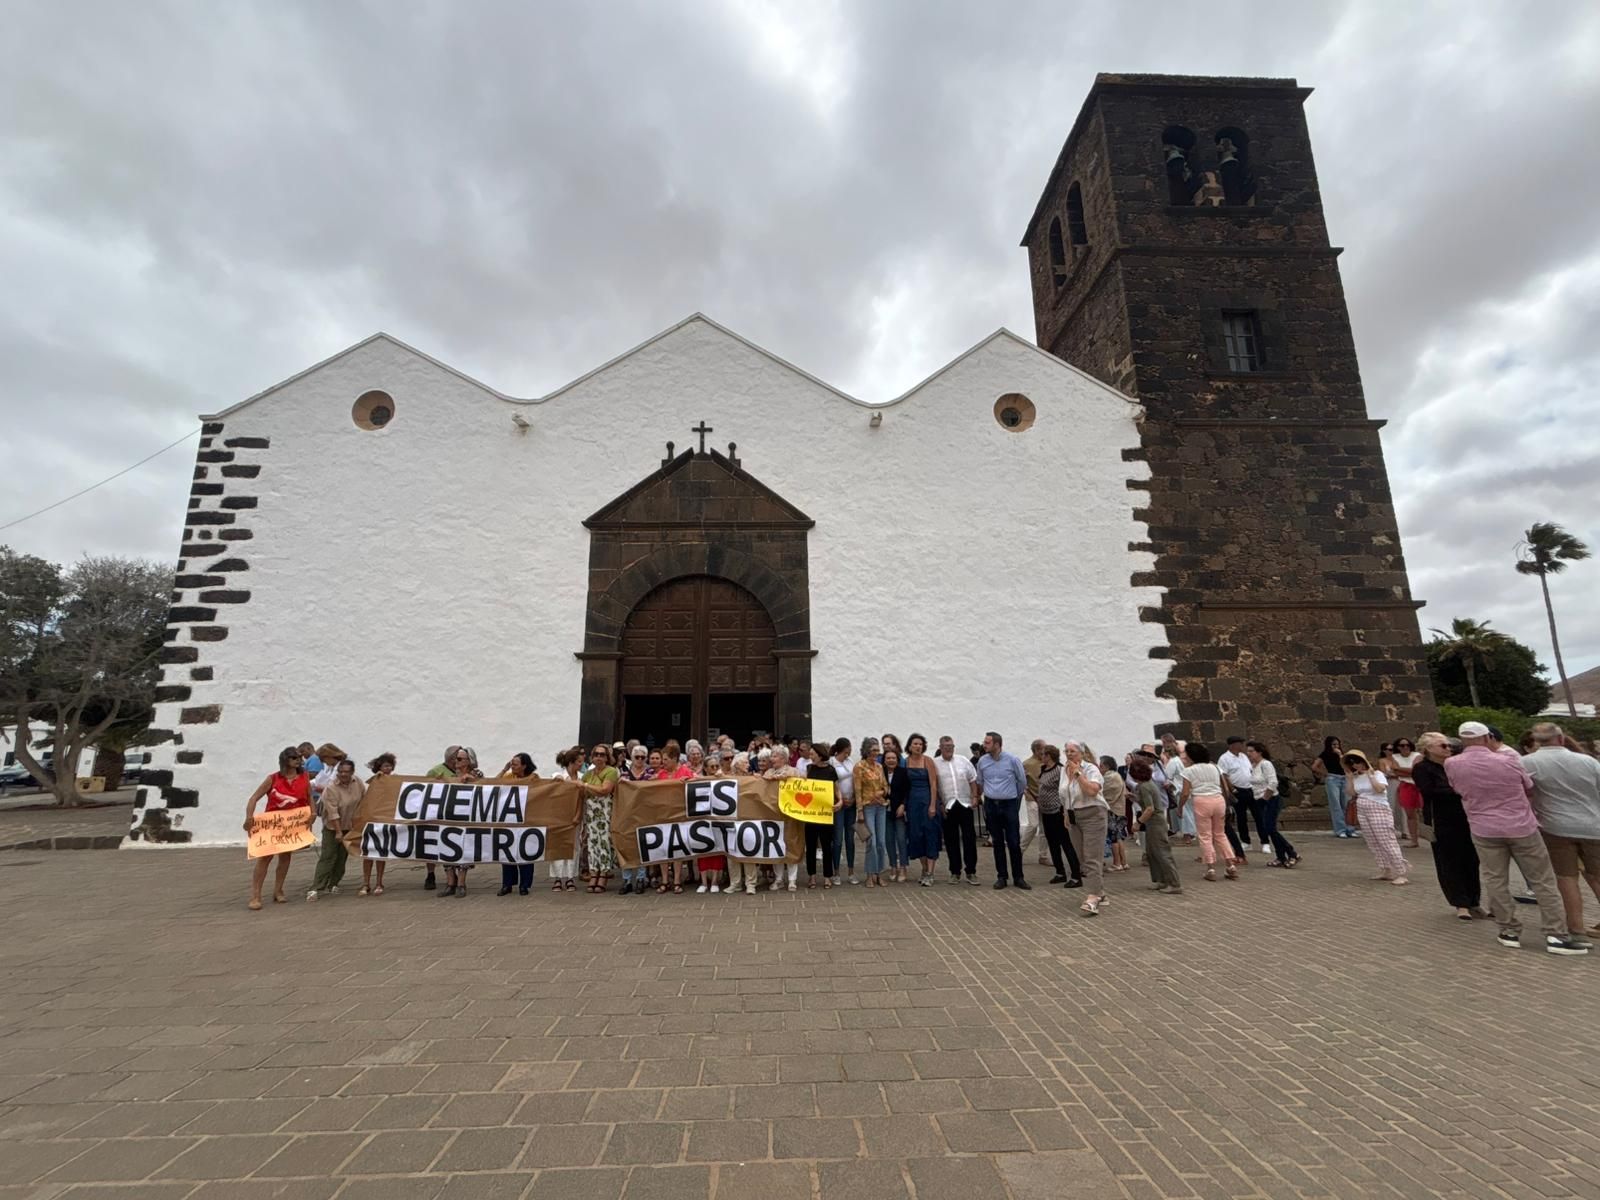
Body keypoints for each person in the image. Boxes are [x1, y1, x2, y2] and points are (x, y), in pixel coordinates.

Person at [1445, 721, 1585, 955]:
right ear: (1487, 738)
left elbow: (1457, 788)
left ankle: (1509, 930)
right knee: (1542, 880)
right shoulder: (1508, 759)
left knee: (1495, 879)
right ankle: (1556, 934)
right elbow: (1528, 786)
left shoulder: (1452, 763)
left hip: (1483, 827)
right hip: (1520, 825)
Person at [1523, 721, 1600, 943]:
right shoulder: (1587, 761)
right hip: (1592, 825)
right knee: (1596, 875)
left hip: (1554, 827)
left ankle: (1576, 929)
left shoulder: (1527, 762)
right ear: (1561, 738)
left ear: (1536, 741)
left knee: (1567, 879)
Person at [1413, 733, 1483, 920]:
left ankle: (1474, 901)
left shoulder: (1456, 764)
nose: (1448, 748)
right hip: (1442, 819)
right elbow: (1429, 791)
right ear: (1428, 749)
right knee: (1449, 861)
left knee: (1471, 859)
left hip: (1466, 817)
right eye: (1443, 745)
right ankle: (1460, 903)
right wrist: (1459, 790)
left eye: (1449, 745)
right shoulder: (1423, 768)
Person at [242, 746, 312, 910]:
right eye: (294, 758)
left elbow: (309, 797)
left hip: (292, 824)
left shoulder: (304, 777)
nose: (298, 761)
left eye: (299, 758)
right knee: (264, 858)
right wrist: (249, 817)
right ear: (286, 760)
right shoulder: (273, 779)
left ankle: (278, 890)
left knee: (285, 856)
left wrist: (313, 814)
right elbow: (254, 798)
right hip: (272, 823)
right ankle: (256, 895)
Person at [1345, 749, 1407, 885]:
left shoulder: (1377, 774)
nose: (1355, 765)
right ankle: (1386, 869)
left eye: (1358, 762)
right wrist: (1349, 779)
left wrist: (1370, 775)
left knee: (1386, 840)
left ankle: (1400, 871)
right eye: (1352, 763)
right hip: (1362, 808)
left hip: (1378, 808)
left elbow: (1380, 789)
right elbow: (1352, 793)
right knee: (1372, 840)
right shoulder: (1355, 777)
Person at [976, 731, 1029, 890]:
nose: (984, 745)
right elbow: (980, 781)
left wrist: (1012, 796)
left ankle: (1018, 877)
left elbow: (1022, 782)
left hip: (1009, 804)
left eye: (987, 743)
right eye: (984, 742)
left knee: (1013, 841)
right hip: (991, 805)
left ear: (997, 744)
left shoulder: (1012, 760)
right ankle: (1002, 876)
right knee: (997, 841)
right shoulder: (982, 761)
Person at [308, 757, 364, 901]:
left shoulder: (358, 783)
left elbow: (363, 801)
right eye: (340, 771)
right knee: (328, 856)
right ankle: (316, 887)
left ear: (352, 772)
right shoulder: (331, 788)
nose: (343, 774)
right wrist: (338, 832)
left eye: (346, 772)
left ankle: (333, 883)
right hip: (332, 826)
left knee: (342, 857)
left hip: (350, 826)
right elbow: (333, 812)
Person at [1180, 742, 1235, 882]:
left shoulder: (1188, 771)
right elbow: (1225, 788)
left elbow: (1185, 793)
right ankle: (1230, 864)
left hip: (1201, 801)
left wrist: (1180, 807)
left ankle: (1210, 867)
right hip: (1218, 799)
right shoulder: (1215, 767)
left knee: (1205, 835)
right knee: (1220, 834)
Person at [1064, 741, 1107, 912]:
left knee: (1091, 857)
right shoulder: (1064, 770)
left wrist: (1077, 773)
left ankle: (1093, 897)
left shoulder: (1090, 769)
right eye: (1066, 751)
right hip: (1074, 815)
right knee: (1082, 857)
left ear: (1081, 753)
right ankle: (1100, 893)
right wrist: (1066, 813)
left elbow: (1092, 791)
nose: (1069, 754)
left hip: (1093, 814)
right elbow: (1065, 793)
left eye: (1073, 751)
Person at [1130, 755, 1181, 893]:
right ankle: (1161, 880)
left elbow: (1149, 808)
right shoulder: (1147, 784)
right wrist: (1134, 798)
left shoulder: (1144, 787)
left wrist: (1138, 823)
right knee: (1153, 853)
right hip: (1154, 823)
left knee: (1162, 853)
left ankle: (1174, 883)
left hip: (1156, 823)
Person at [934, 735, 981, 884]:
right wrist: (940, 804)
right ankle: (955, 872)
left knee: (969, 839)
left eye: (951, 746)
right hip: (948, 805)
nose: (949, 749)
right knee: (951, 840)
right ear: (940, 747)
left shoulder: (963, 761)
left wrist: (975, 797)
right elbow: (934, 786)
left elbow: (972, 779)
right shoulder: (935, 763)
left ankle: (971, 871)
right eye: (946, 747)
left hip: (965, 804)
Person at [1246, 741, 1298, 867]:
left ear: (1259, 752)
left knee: (1270, 828)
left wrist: (1265, 798)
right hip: (1259, 799)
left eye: (1251, 751)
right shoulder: (1253, 766)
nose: (1249, 754)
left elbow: (1273, 783)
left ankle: (1291, 852)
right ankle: (1281, 857)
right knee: (1268, 828)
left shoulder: (1266, 764)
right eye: (1248, 751)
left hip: (1270, 799)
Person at [439, 748, 483, 897]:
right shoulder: (450, 775)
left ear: (468, 761)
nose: (456, 761)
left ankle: (461, 884)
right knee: (446, 848)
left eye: (459, 759)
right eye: (455, 758)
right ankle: (450, 883)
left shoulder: (477, 774)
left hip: (466, 817)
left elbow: (486, 790)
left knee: (464, 849)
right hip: (448, 816)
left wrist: (472, 781)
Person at [1035, 745, 1080, 885]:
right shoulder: (1043, 769)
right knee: (1052, 843)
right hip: (1046, 812)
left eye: (1043, 754)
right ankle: (1060, 872)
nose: (1041, 757)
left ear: (1049, 756)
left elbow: (1065, 789)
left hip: (1058, 811)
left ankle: (1076, 875)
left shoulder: (1060, 770)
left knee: (1065, 843)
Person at [901, 734, 943, 886]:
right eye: (915, 744)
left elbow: (933, 784)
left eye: (920, 744)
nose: (918, 746)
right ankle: (924, 868)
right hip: (913, 803)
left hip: (927, 801)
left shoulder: (928, 761)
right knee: (916, 836)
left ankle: (930, 872)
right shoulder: (905, 762)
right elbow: (904, 785)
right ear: (909, 746)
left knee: (930, 835)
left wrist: (932, 805)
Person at [655, 740, 695, 894]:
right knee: (663, 847)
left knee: (677, 847)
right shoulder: (661, 774)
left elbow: (698, 781)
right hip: (663, 814)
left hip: (679, 814)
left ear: (674, 759)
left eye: (665, 759)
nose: (663, 762)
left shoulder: (685, 771)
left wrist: (690, 781)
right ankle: (665, 880)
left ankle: (677, 880)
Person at [420, 745, 462, 890]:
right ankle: (430, 874)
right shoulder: (435, 771)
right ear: (451, 758)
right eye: (458, 758)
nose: (459, 760)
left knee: (452, 843)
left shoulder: (462, 772)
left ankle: (453, 874)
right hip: (437, 813)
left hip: (455, 813)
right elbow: (425, 789)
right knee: (431, 844)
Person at [496, 753, 538, 896]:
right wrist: (504, 769)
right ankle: (507, 884)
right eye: (511, 763)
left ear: (524, 766)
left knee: (526, 851)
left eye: (515, 764)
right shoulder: (509, 777)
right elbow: (493, 784)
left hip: (527, 820)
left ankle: (524, 885)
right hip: (509, 819)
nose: (512, 766)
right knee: (507, 851)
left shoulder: (533, 778)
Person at [579, 743, 619, 894]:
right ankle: (593, 873)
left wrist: (585, 786)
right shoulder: (588, 774)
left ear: (607, 757)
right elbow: (581, 791)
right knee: (592, 843)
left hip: (605, 812)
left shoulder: (611, 771)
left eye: (602, 755)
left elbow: (605, 789)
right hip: (591, 813)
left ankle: (603, 874)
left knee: (604, 842)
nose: (599, 757)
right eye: (596, 754)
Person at [762, 746, 801, 891]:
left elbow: (800, 783)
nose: (771, 759)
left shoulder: (793, 771)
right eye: (771, 756)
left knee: (791, 844)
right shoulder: (768, 772)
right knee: (775, 844)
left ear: (783, 758)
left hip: (790, 814)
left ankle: (792, 879)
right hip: (773, 814)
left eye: (774, 756)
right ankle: (779, 878)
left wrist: (783, 778)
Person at [1217, 736, 1262, 854]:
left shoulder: (1243, 756)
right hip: (1238, 790)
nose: (1242, 746)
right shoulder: (1224, 758)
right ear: (1233, 745)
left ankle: (1264, 841)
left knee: (1258, 815)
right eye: (1240, 743)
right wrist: (1232, 789)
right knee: (1241, 817)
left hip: (1250, 789)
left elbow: (1249, 770)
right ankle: (1246, 841)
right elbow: (1224, 776)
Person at [854, 738, 889, 887]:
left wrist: (881, 792)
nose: (877, 753)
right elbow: (857, 790)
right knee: (871, 842)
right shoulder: (859, 767)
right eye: (874, 750)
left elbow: (886, 786)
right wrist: (859, 811)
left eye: (878, 750)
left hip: (881, 807)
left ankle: (878, 873)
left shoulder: (879, 766)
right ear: (867, 751)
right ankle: (869, 874)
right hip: (867, 807)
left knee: (881, 842)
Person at [804, 743, 840, 889]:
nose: (810, 756)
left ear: (820, 755)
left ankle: (827, 876)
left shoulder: (831, 770)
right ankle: (811, 876)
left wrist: (840, 801)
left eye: (812, 754)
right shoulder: (809, 769)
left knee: (826, 845)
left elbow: (836, 789)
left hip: (825, 813)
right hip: (811, 813)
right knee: (810, 846)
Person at [359, 752, 395, 895]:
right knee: (368, 853)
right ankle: (366, 883)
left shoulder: (395, 781)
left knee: (380, 852)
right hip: (372, 819)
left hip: (384, 819)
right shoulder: (375, 781)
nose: (388, 768)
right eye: (385, 766)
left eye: (389, 766)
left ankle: (379, 882)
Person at [548, 748, 583, 893]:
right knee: (558, 846)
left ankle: (570, 877)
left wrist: (578, 815)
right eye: (579, 762)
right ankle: (557, 878)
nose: (581, 764)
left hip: (574, 815)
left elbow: (582, 798)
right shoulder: (558, 776)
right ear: (571, 762)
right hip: (559, 817)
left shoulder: (582, 777)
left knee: (574, 847)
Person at [830, 737, 859, 884]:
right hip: (839, 803)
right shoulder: (832, 762)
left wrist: (853, 797)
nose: (851, 750)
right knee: (837, 839)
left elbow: (855, 779)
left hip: (851, 803)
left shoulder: (850, 762)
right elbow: (832, 783)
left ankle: (851, 871)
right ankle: (836, 872)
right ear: (844, 748)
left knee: (850, 838)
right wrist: (840, 799)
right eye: (849, 747)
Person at [1314, 735, 1355, 837]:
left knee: (1346, 804)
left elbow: (1347, 767)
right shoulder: (1324, 754)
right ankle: (1340, 830)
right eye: (1333, 744)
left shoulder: (1342, 755)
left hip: (1344, 778)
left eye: (1337, 744)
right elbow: (1314, 766)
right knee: (1336, 805)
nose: (1336, 746)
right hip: (1333, 779)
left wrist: (1340, 755)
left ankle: (1350, 829)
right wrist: (1325, 774)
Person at [883, 746, 910, 882]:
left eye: (893, 758)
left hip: (899, 810)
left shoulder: (903, 772)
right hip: (884, 810)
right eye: (888, 758)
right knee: (888, 840)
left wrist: (903, 805)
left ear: (897, 760)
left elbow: (907, 791)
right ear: (884, 760)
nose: (891, 760)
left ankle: (903, 867)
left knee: (901, 839)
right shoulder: (880, 772)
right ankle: (893, 866)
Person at [1100, 754, 1129, 872]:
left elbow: (1103, 792)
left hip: (1112, 810)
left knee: (1113, 838)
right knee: (1118, 837)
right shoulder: (1117, 775)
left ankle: (1117, 863)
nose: (1099, 769)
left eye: (1101, 766)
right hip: (1119, 810)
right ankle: (1124, 862)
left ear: (1106, 766)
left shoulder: (1109, 777)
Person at [1391, 737, 1422, 847]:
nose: (1405, 747)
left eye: (1407, 745)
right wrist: (1410, 772)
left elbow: (1415, 771)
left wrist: (1400, 769)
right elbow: (1396, 772)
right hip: (1406, 785)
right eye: (1402, 745)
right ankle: (1414, 840)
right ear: (1398, 747)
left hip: (1419, 785)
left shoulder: (1417, 755)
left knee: (1423, 812)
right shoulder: (1395, 757)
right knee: (1410, 814)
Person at [1024, 739, 1046, 868]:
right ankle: (1019, 851)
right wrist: (1026, 793)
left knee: (1045, 829)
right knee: (1033, 825)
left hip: (1046, 799)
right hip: (1032, 798)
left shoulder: (1046, 763)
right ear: (1036, 750)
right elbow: (1020, 780)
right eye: (1043, 749)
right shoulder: (1027, 764)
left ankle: (1043, 855)